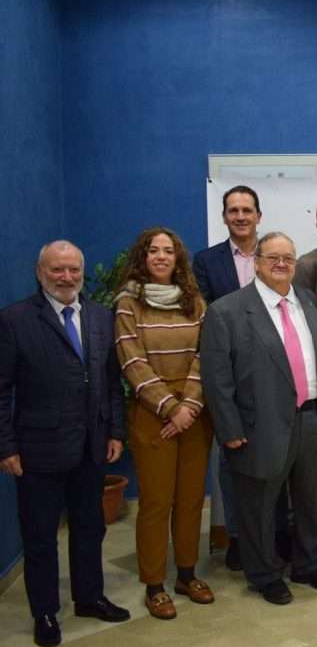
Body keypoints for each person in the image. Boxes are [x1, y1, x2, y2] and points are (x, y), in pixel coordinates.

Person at [201, 232, 317, 605]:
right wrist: (229, 428)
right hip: (258, 426)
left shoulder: (308, 300)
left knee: (312, 501)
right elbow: (217, 379)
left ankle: (308, 564)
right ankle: (264, 574)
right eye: (273, 258)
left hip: (313, 418)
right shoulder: (227, 311)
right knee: (260, 506)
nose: (282, 264)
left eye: (288, 258)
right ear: (257, 263)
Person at [0, 240, 130, 647]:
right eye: (57, 269)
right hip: (37, 449)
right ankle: (44, 612)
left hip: (92, 445)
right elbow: (1, 390)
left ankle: (89, 597)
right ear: (41, 273)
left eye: (74, 269)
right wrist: (5, 446)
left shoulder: (101, 316)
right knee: (40, 537)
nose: (67, 277)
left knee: (90, 528)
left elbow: (112, 382)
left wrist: (115, 431)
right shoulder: (15, 320)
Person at [114, 228, 214, 619]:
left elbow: (206, 354)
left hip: (195, 410)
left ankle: (187, 574)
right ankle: (154, 584)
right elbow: (131, 360)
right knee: (156, 502)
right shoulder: (129, 302)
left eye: (167, 251)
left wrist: (189, 405)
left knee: (191, 498)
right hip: (151, 412)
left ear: (177, 258)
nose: (160, 256)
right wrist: (170, 407)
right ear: (143, 257)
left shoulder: (195, 301)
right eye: (153, 250)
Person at [192, 185, 275, 570]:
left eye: (247, 210)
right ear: (224, 217)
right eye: (233, 210)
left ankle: (274, 536)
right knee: (232, 460)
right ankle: (238, 537)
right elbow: (206, 318)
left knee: (277, 459)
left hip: (274, 371)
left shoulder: (273, 255)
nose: (240, 216)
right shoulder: (206, 262)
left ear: (259, 215)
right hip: (230, 371)